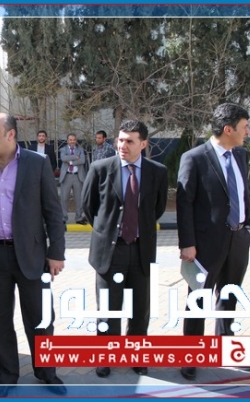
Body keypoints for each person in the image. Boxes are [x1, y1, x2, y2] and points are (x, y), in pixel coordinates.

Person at [0, 113, 67, 397]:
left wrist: (56, 252)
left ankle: (47, 372)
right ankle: (7, 374)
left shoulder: (37, 163)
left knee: (40, 318)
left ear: (10, 135)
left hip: (32, 255)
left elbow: (53, 212)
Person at [82, 119, 168, 379]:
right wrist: (109, 229)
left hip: (141, 250)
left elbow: (157, 208)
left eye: (130, 141)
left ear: (143, 143)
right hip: (110, 251)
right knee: (109, 308)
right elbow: (89, 207)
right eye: (120, 140)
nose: (123, 145)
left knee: (140, 309)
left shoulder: (157, 172)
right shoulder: (100, 169)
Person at [177, 103, 250, 381]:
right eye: (245, 127)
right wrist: (187, 243)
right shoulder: (194, 158)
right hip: (205, 245)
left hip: (238, 239)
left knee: (230, 296)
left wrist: (247, 225)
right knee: (198, 300)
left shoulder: (241, 154)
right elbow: (184, 203)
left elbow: (242, 192)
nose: (248, 131)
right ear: (228, 129)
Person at [59, 133, 88, 225]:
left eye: (74, 140)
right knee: (64, 198)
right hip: (66, 176)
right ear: (67, 140)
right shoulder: (63, 149)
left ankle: (79, 218)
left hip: (78, 176)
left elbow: (82, 160)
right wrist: (75, 157)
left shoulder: (80, 149)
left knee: (79, 198)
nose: (72, 141)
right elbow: (63, 158)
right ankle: (63, 218)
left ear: (76, 140)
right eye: (70, 140)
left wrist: (70, 162)